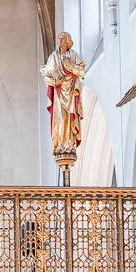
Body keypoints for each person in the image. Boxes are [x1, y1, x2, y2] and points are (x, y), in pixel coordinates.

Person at [42, 31, 87, 169]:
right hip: (59, 93)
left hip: (71, 91)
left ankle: (69, 144)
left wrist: (71, 66)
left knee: (70, 119)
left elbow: (82, 72)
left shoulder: (73, 56)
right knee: (60, 118)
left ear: (68, 41)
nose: (60, 40)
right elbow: (47, 75)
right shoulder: (53, 57)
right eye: (59, 38)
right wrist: (56, 81)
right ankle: (60, 144)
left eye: (63, 38)